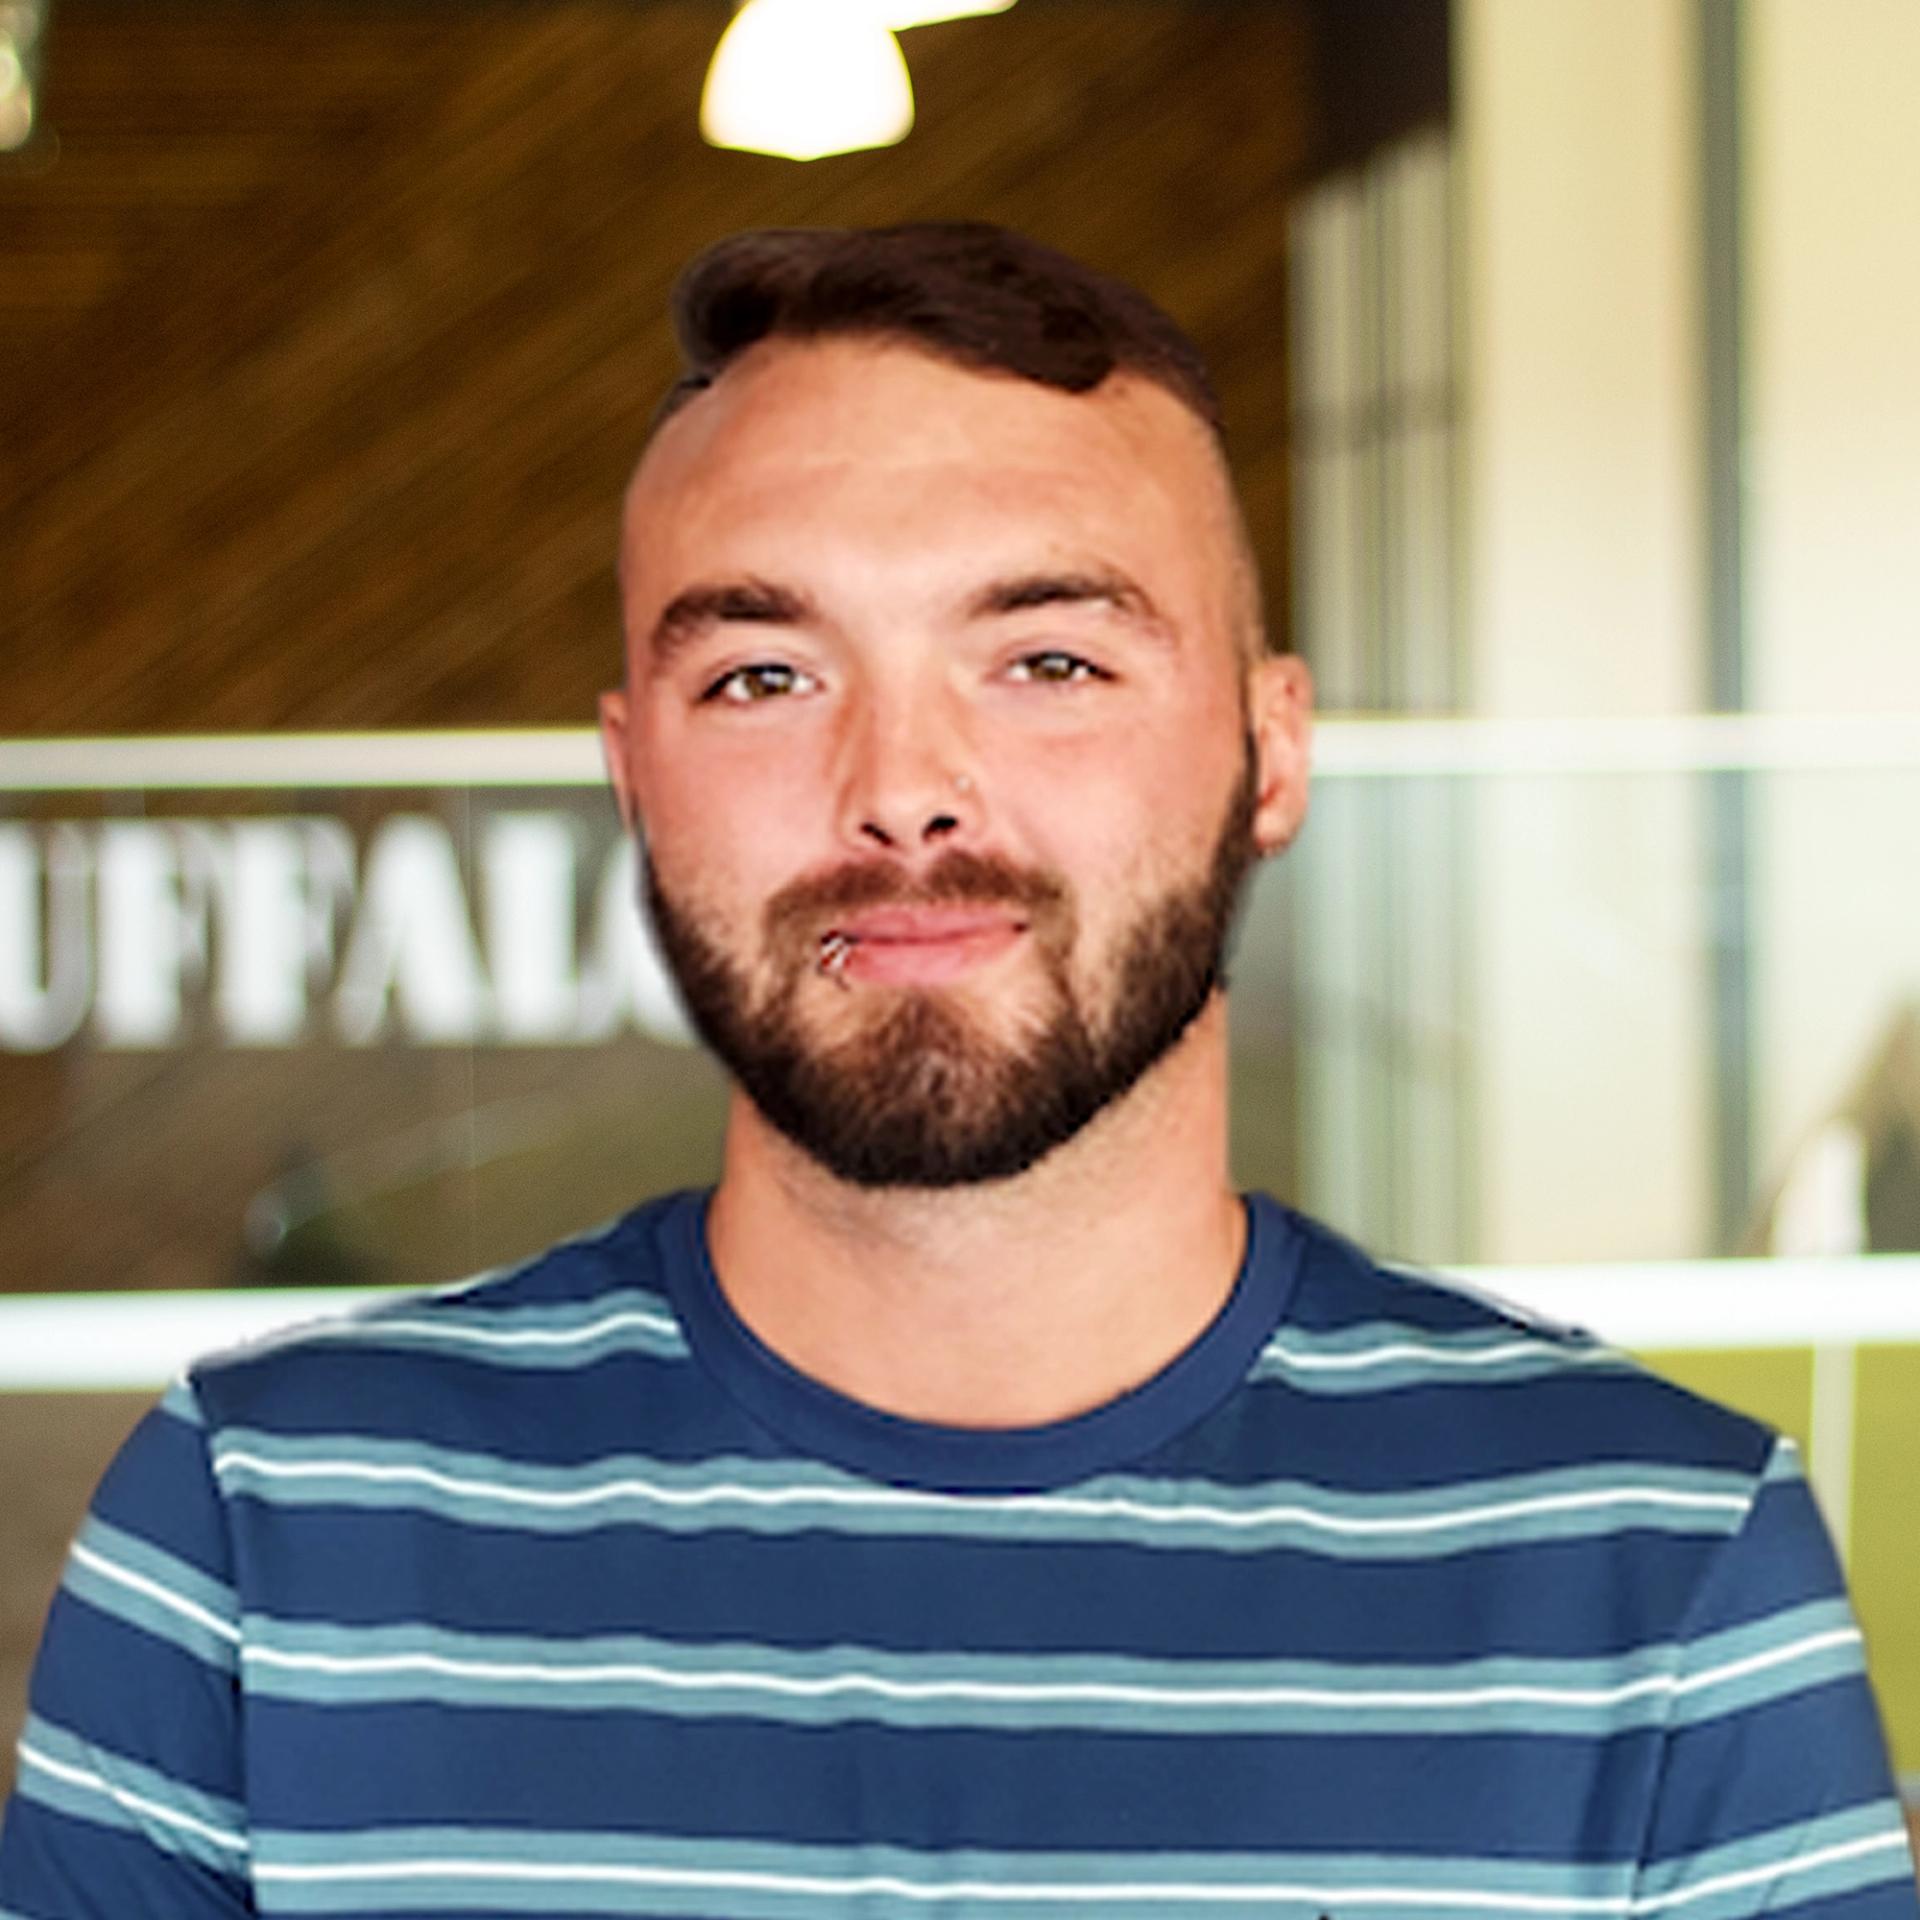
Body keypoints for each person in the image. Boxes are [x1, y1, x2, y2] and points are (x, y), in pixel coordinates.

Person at [2, 223, 1914, 1919]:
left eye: (1051, 660)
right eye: (764, 675)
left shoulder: (1661, 1574)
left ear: (1272, 752)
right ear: (631, 773)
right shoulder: (264, 1533)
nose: (901, 789)